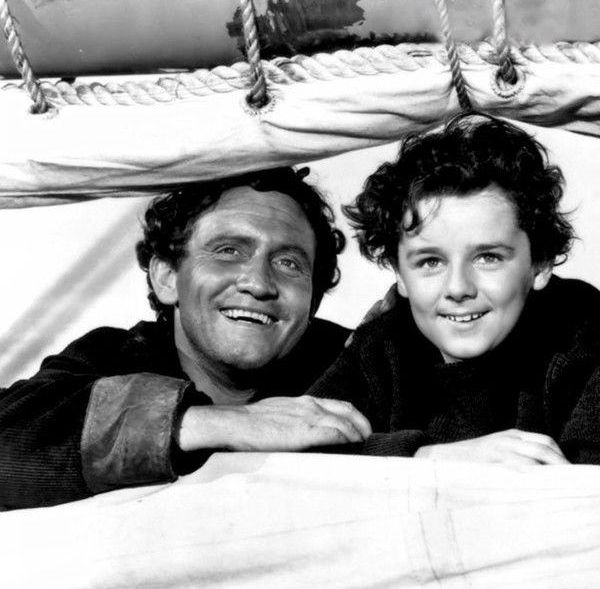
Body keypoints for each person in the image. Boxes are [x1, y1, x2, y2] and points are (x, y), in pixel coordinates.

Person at [0, 167, 371, 509]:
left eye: (288, 263)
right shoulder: (114, 356)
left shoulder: (358, 361)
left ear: (312, 299)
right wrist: (222, 423)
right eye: (228, 251)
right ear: (167, 277)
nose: (258, 283)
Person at [309, 113, 600, 465]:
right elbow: (301, 449)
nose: (458, 288)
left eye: (488, 257)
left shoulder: (583, 332)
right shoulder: (381, 346)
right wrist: (429, 457)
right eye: (431, 262)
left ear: (540, 264)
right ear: (400, 274)